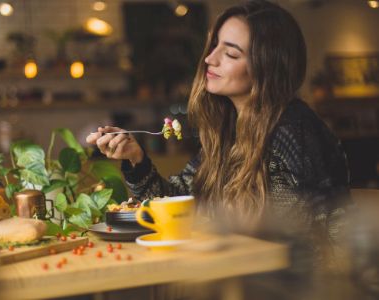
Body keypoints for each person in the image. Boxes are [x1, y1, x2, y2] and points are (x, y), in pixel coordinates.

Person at [86, 0, 350, 257]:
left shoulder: (292, 132)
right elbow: (178, 203)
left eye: (231, 53)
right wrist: (136, 158)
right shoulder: (230, 130)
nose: (210, 59)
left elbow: (301, 243)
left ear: (267, 67)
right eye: (214, 46)